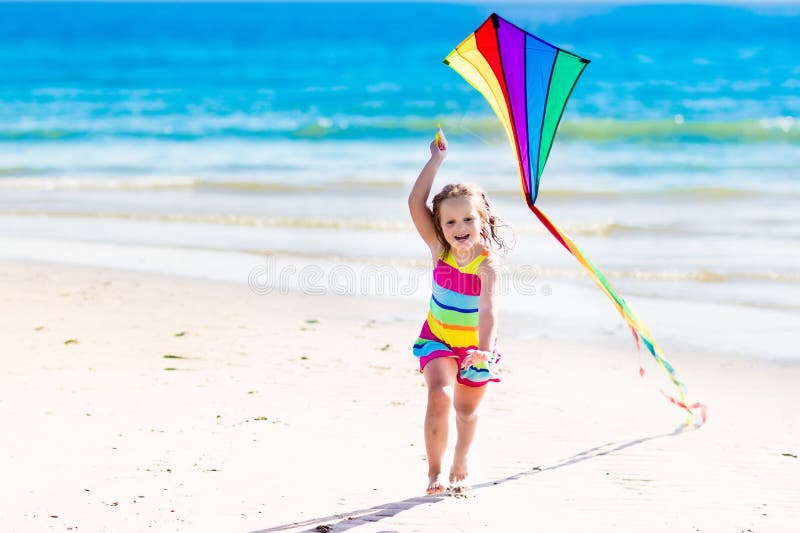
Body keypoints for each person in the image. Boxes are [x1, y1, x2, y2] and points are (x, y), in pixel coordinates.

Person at [408, 127, 510, 495]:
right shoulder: (439, 249)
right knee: (439, 395)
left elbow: (489, 309)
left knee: (466, 412)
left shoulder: (486, 264)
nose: (459, 227)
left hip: (477, 347)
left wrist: (482, 348)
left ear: (482, 219)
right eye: (450, 222)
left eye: (467, 219)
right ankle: (434, 472)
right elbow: (414, 203)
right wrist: (435, 161)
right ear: (440, 227)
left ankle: (461, 458)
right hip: (438, 338)